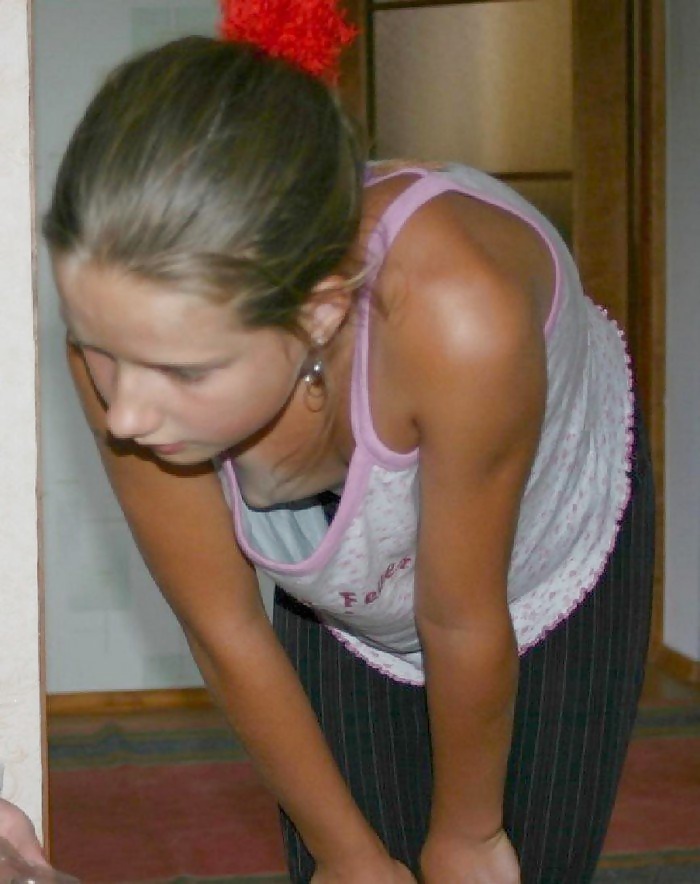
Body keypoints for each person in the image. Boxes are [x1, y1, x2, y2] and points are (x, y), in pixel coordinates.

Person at [42, 11, 654, 883]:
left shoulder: (460, 321)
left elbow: (460, 616)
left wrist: (469, 834)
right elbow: (224, 625)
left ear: (320, 313)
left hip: (536, 564)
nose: (125, 417)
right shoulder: (127, 347)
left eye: (185, 371)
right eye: (99, 347)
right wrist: (347, 856)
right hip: (359, 581)